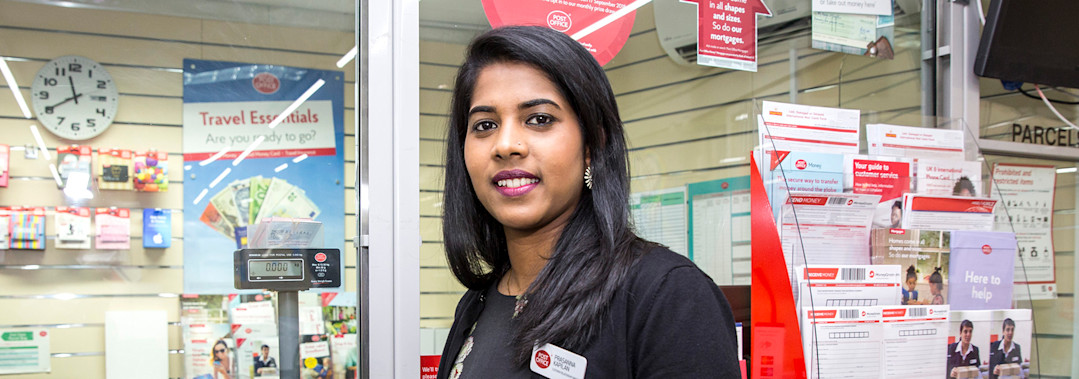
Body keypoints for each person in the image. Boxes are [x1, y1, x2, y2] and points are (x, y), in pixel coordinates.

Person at [436, 26, 740, 379]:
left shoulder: (666, 295)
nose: (505, 145)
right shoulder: (478, 303)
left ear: (592, 146)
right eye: (485, 125)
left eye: (539, 119)